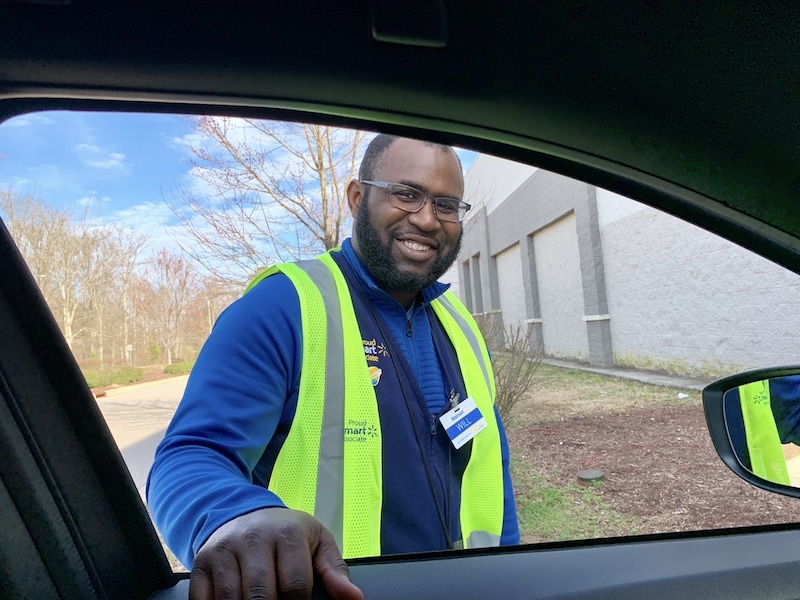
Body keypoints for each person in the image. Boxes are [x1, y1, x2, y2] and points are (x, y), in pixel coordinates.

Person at [147, 135, 520, 600]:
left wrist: (509, 567)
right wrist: (233, 515)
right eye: (407, 194)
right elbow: (191, 455)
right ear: (358, 197)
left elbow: (490, 467)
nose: (427, 219)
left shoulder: (461, 324)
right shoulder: (282, 307)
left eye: (445, 204)